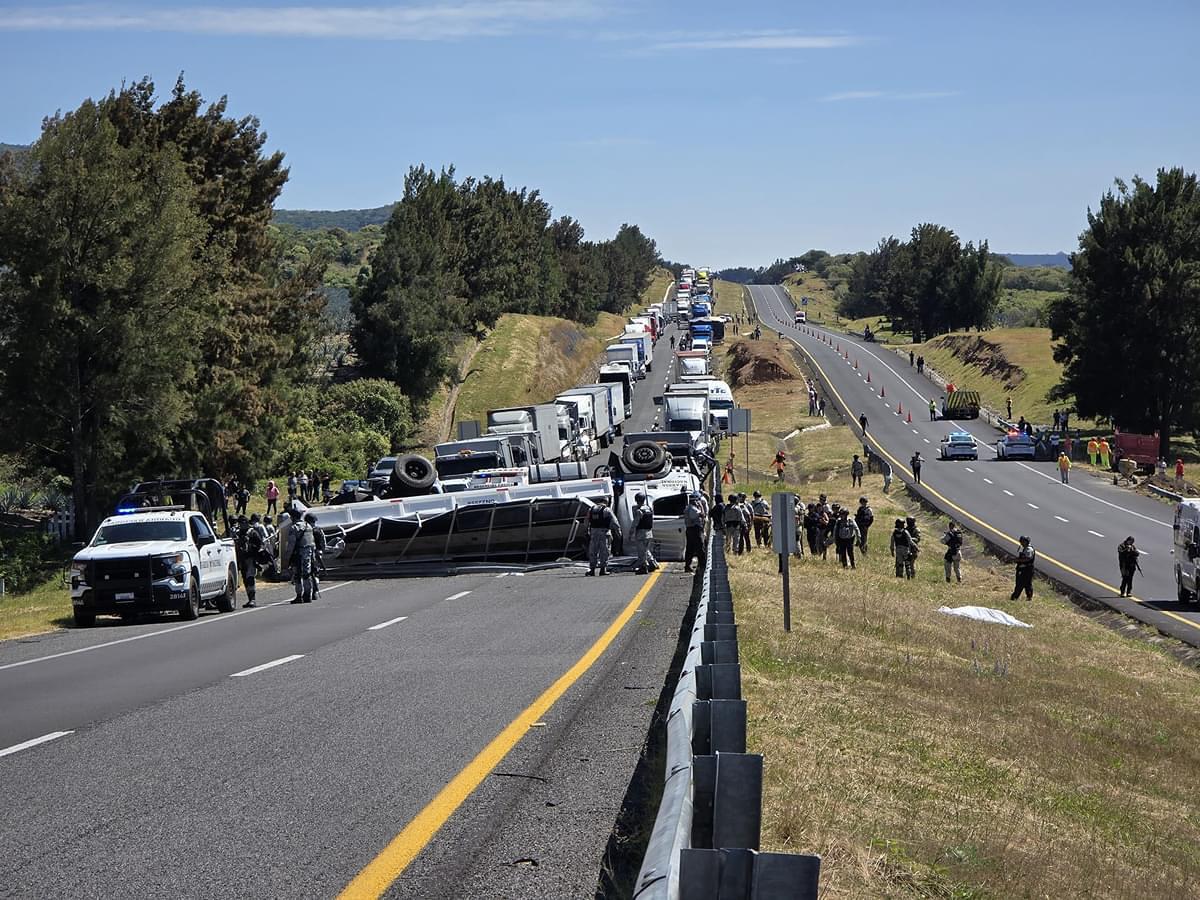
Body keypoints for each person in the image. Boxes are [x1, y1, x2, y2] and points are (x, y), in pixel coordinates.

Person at [586, 497, 621, 576]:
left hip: (594, 533)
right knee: (604, 551)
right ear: (606, 502)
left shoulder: (591, 509)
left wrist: (588, 530)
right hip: (604, 533)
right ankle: (603, 569)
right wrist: (618, 530)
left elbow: (586, 521)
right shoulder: (607, 509)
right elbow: (614, 521)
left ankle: (592, 570)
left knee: (593, 551)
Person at [289, 512, 317, 603]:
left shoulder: (294, 527)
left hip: (298, 554)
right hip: (308, 553)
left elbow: (291, 544)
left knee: (297, 575)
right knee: (307, 574)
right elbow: (312, 543)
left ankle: (299, 596)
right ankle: (307, 595)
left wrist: (287, 557)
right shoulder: (308, 526)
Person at [631, 493, 657, 574]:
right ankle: (652, 563)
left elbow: (636, 522)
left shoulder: (638, 510)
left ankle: (643, 567)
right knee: (645, 549)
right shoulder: (649, 508)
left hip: (641, 533)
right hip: (649, 532)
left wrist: (631, 531)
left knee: (641, 551)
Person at [683, 493, 706, 572]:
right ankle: (702, 565)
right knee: (699, 547)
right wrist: (701, 506)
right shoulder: (692, 509)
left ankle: (688, 565)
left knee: (690, 548)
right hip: (695, 530)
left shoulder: (688, 508)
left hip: (690, 529)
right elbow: (702, 515)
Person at [1009, 535, 1036, 601]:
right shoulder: (1025, 548)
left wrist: (1017, 560)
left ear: (1025, 542)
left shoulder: (1029, 549)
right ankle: (1029, 597)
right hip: (1025, 569)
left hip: (1026, 570)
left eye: (1022, 542)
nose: (1021, 543)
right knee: (1027, 584)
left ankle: (1014, 598)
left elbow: (1027, 559)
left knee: (1020, 584)